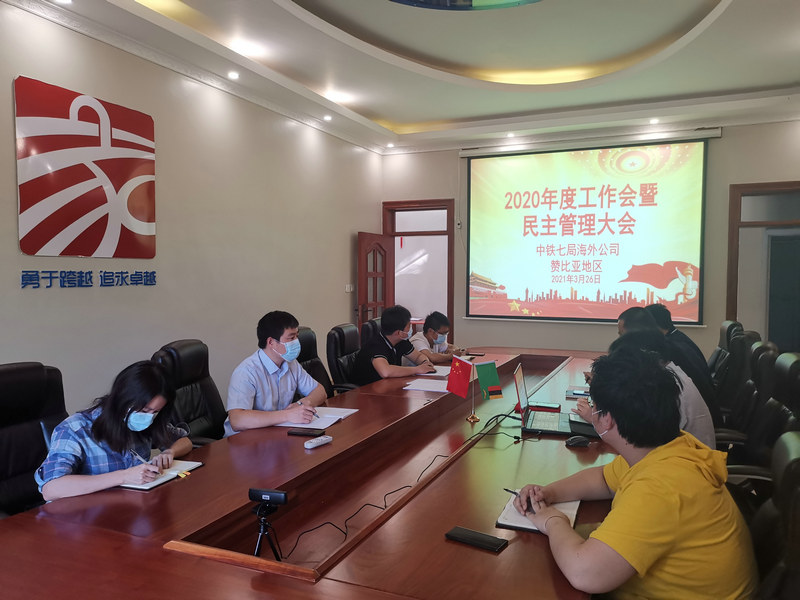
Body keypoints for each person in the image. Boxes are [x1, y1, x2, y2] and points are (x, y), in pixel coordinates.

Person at [514, 349, 756, 599]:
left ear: (606, 419)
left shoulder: (660, 487)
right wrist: (549, 492)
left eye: (594, 406)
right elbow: (603, 479)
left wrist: (553, 521)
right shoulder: (668, 447)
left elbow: (584, 573)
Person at [35, 360, 192, 501]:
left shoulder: (148, 422)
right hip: (87, 516)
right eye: (144, 410)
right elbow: (50, 489)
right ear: (122, 399)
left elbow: (184, 441)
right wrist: (124, 477)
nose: (148, 417)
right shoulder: (75, 429)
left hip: (131, 508)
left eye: (155, 412)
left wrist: (170, 452)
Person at [573, 331, 715, 447]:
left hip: (685, 463)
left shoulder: (668, 388)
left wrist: (596, 420)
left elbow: (640, 441)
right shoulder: (666, 375)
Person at [225, 310, 327, 435]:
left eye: (297, 336)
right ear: (271, 342)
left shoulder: (291, 363)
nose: (297, 342)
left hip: (276, 433)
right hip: (244, 440)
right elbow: (237, 420)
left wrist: (302, 403)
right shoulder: (246, 372)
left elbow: (320, 391)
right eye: (291, 338)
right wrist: (287, 415)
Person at [617, 306, 722, 425]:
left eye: (624, 336)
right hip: (697, 418)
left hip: (695, 425)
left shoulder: (668, 353)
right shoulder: (676, 342)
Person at [351, 305, 436, 385]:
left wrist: (425, 363)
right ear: (399, 333)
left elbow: (418, 356)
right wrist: (417, 369)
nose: (410, 328)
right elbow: (385, 371)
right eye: (409, 326)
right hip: (366, 390)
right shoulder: (375, 345)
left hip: (387, 385)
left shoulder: (401, 341)